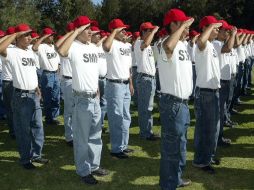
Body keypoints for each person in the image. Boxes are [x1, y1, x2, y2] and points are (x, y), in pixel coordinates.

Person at [58, 16, 109, 185]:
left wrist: (97, 91)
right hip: (81, 100)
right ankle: (83, 170)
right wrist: (76, 31)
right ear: (78, 30)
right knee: (81, 138)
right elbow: (62, 51)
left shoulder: (94, 48)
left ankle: (94, 166)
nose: (90, 32)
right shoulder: (73, 47)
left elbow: (93, 72)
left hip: (94, 98)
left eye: (90, 29)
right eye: (86, 29)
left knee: (96, 136)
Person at [0, 23, 48, 169]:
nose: (29, 37)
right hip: (21, 96)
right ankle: (25, 159)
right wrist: (14, 35)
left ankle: (37, 155)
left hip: (34, 94)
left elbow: (31, 72)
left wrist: (37, 87)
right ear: (17, 37)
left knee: (38, 127)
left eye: (30, 34)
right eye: (26, 35)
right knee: (23, 130)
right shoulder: (12, 51)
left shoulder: (29, 52)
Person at [158, 8, 193, 190]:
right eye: (184, 24)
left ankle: (176, 178)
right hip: (172, 103)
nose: (188, 28)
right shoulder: (165, 43)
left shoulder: (183, 45)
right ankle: (168, 185)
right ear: (173, 25)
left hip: (183, 103)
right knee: (171, 148)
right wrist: (182, 28)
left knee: (181, 145)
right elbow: (168, 47)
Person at [193, 16, 222, 174]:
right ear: (206, 28)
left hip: (212, 92)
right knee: (206, 129)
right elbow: (200, 41)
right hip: (205, 93)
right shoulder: (201, 44)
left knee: (212, 128)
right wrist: (210, 27)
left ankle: (207, 156)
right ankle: (201, 161)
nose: (217, 30)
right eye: (215, 28)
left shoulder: (211, 45)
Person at [103, 18, 134, 159]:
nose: (124, 32)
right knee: (116, 117)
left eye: (124, 29)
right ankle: (116, 149)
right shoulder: (112, 43)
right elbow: (105, 46)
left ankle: (124, 145)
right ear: (114, 31)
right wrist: (114, 31)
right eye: (122, 30)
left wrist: (131, 83)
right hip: (114, 84)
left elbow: (128, 67)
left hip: (126, 84)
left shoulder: (126, 46)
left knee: (126, 117)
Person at [213, 20, 237, 146]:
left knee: (222, 111)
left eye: (228, 30)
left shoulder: (221, 43)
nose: (228, 32)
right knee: (219, 113)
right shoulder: (216, 43)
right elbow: (228, 48)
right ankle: (217, 138)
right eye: (225, 30)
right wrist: (233, 35)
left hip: (225, 81)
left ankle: (219, 136)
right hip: (221, 82)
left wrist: (232, 36)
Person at [134, 22, 160, 141]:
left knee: (148, 107)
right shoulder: (139, 43)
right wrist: (154, 31)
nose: (152, 32)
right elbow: (145, 44)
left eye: (152, 30)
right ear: (143, 32)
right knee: (145, 108)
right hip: (144, 78)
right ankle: (145, 133)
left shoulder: (149, 46)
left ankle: (148, 131)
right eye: (149, 30)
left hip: (150, 78)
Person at [32, 27, 61, 125]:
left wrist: (58, 68)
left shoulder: (53, 46)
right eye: (50, 35)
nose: (52, 36)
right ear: (45, 36)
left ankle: (54, 117)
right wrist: (42, 37)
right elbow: (34, 48)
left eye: (52, 35)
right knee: (48, 98)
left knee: (56, 97)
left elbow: (57, 60)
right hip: (47, 74)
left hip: (55, 74)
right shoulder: (42, 46)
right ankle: (49, 118)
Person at [55, 22, 75, 147]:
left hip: (78, 80)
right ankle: (69, 137)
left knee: (78, 110)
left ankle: (76, 133)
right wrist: (69, 34)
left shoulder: (78, 45)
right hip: (68, 80)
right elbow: (57, 46)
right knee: (69, 110)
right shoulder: (63, 44)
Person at [90, 25, 108, 132]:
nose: (99, 36)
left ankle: (99, 125)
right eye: (96, 34)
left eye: (99, 34)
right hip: (95, 80)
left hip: (104, 78)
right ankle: (94, 126)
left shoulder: (102, 47)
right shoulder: (91, 47)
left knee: (104, 103)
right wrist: (102, 40)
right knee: (94, 104)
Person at [1, 26, 16, 139]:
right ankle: (13, 131)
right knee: (11, 109)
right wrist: (7, 37)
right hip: (8, 81)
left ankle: (15, 130)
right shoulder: (6, 48)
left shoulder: (15, 48)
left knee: (13, 109)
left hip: (14, 82)